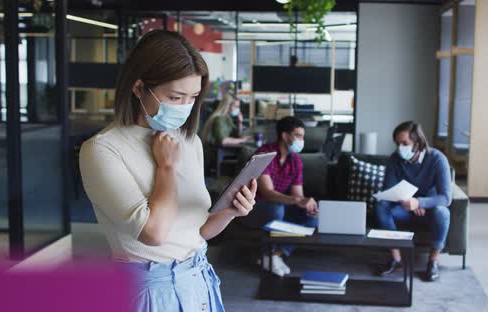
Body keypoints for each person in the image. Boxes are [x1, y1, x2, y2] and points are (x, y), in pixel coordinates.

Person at [79, 30, 257, 312]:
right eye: (175, 97)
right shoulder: (102, 150)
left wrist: (232, 211)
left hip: (199, 277)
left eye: (193, 97)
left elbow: (199, 232)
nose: (185, 107)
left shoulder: (190, 142)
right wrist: (167, 167)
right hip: (148, 290)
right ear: (138, 88)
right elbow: (154, 234)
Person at [375, 121, 452, 282]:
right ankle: (396, 259)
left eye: (404, 143)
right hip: (404, 209)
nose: (399, 148)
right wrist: (408, 202)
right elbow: (389, 190)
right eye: (397, 143)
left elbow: (446, 197)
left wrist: (419, 202)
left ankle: (433, 262)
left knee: (442, 212)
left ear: (418, 143)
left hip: (430, 211)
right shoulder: (395, 159)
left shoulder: (438, 159)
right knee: (382, 206)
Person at [241, 116, 319, 277]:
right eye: (298, 136)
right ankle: (269, 255)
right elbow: (267, 193)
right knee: (277, 210)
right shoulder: (264, 155)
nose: (301, 141)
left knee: (312, 218)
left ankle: (274, 255)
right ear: (285, 136)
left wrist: (306, 204)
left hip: (280, 207)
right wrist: (297, 200)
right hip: (252, 208)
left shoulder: (296, 161)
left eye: (302, 136)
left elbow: (298, 195)